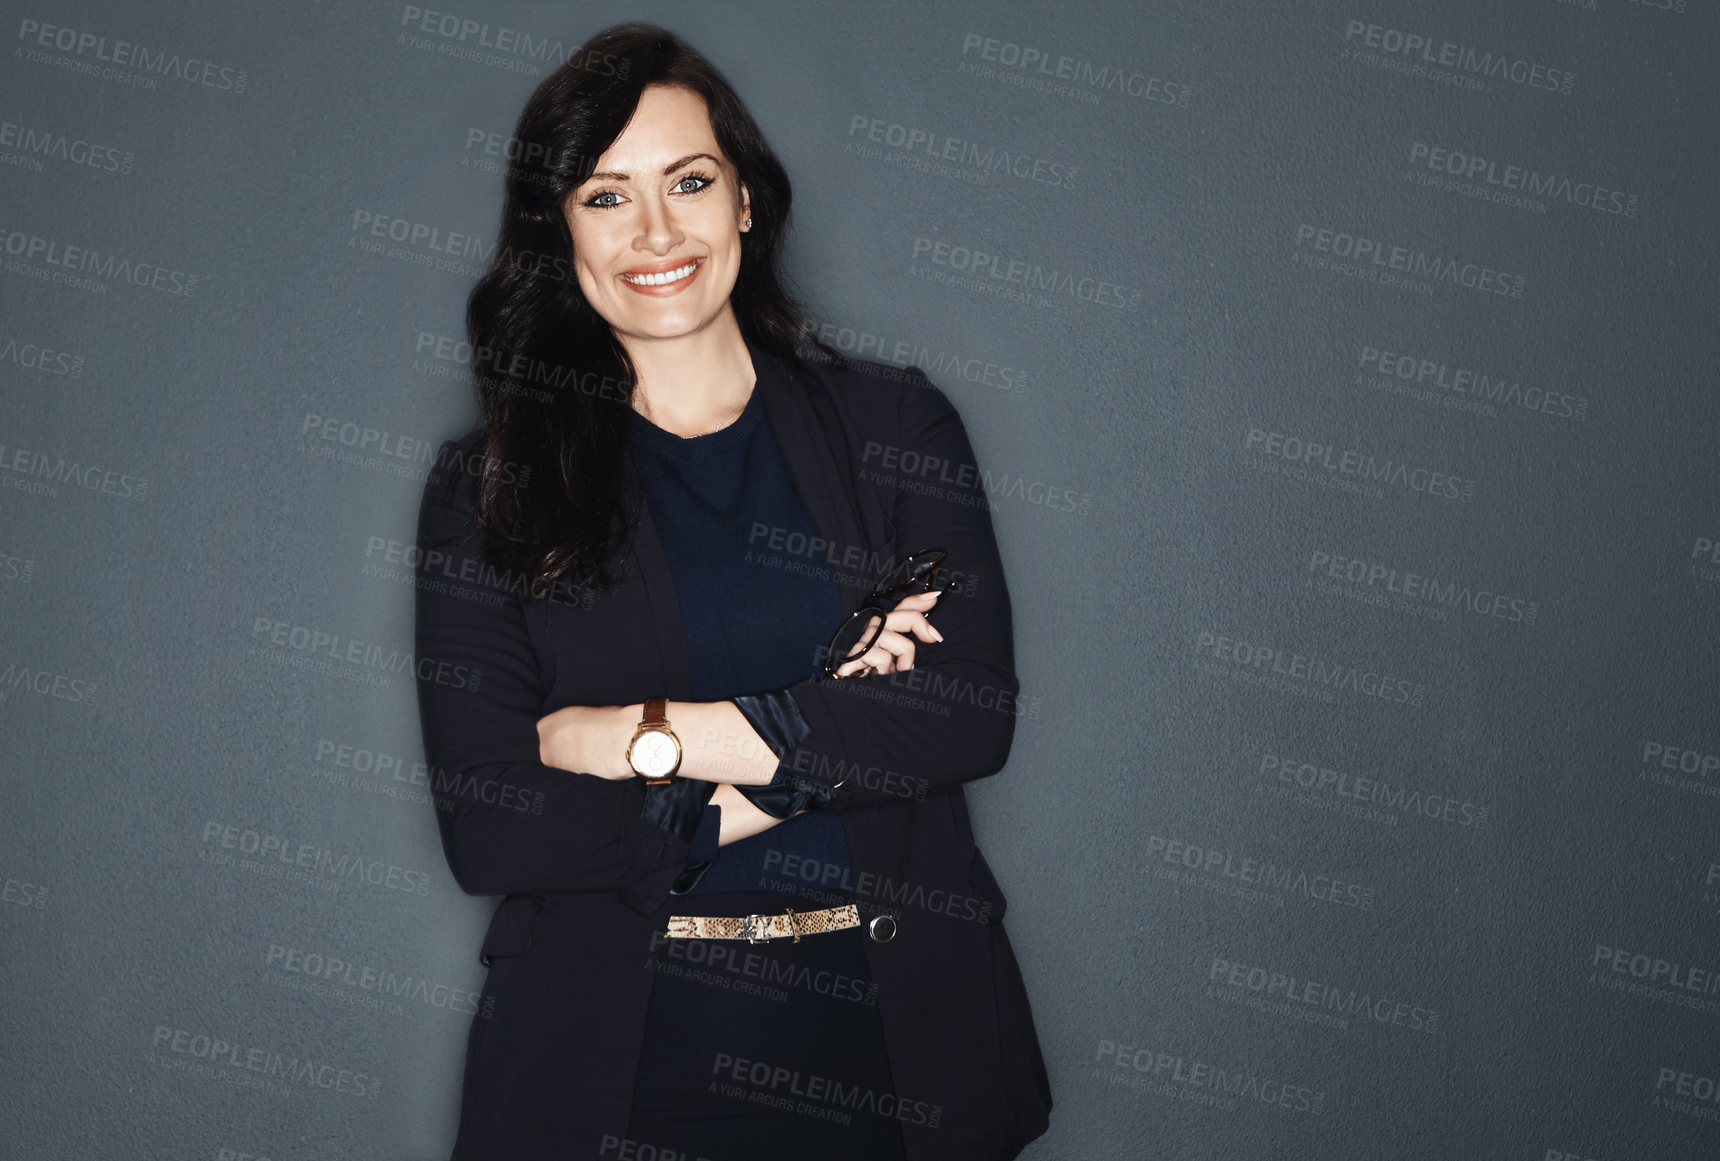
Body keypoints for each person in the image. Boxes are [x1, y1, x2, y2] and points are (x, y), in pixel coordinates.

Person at [412, 22, 1051, 1161]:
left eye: (688, 182)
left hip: (896, 1060)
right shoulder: (488, 486)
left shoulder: (894, 427)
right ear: (557, 235)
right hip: (619, 1072)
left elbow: (965, 714)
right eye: (606, 198)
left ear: (744, 201)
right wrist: (818, 730)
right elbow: (492, 831)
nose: (655, 233)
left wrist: (633, 739)